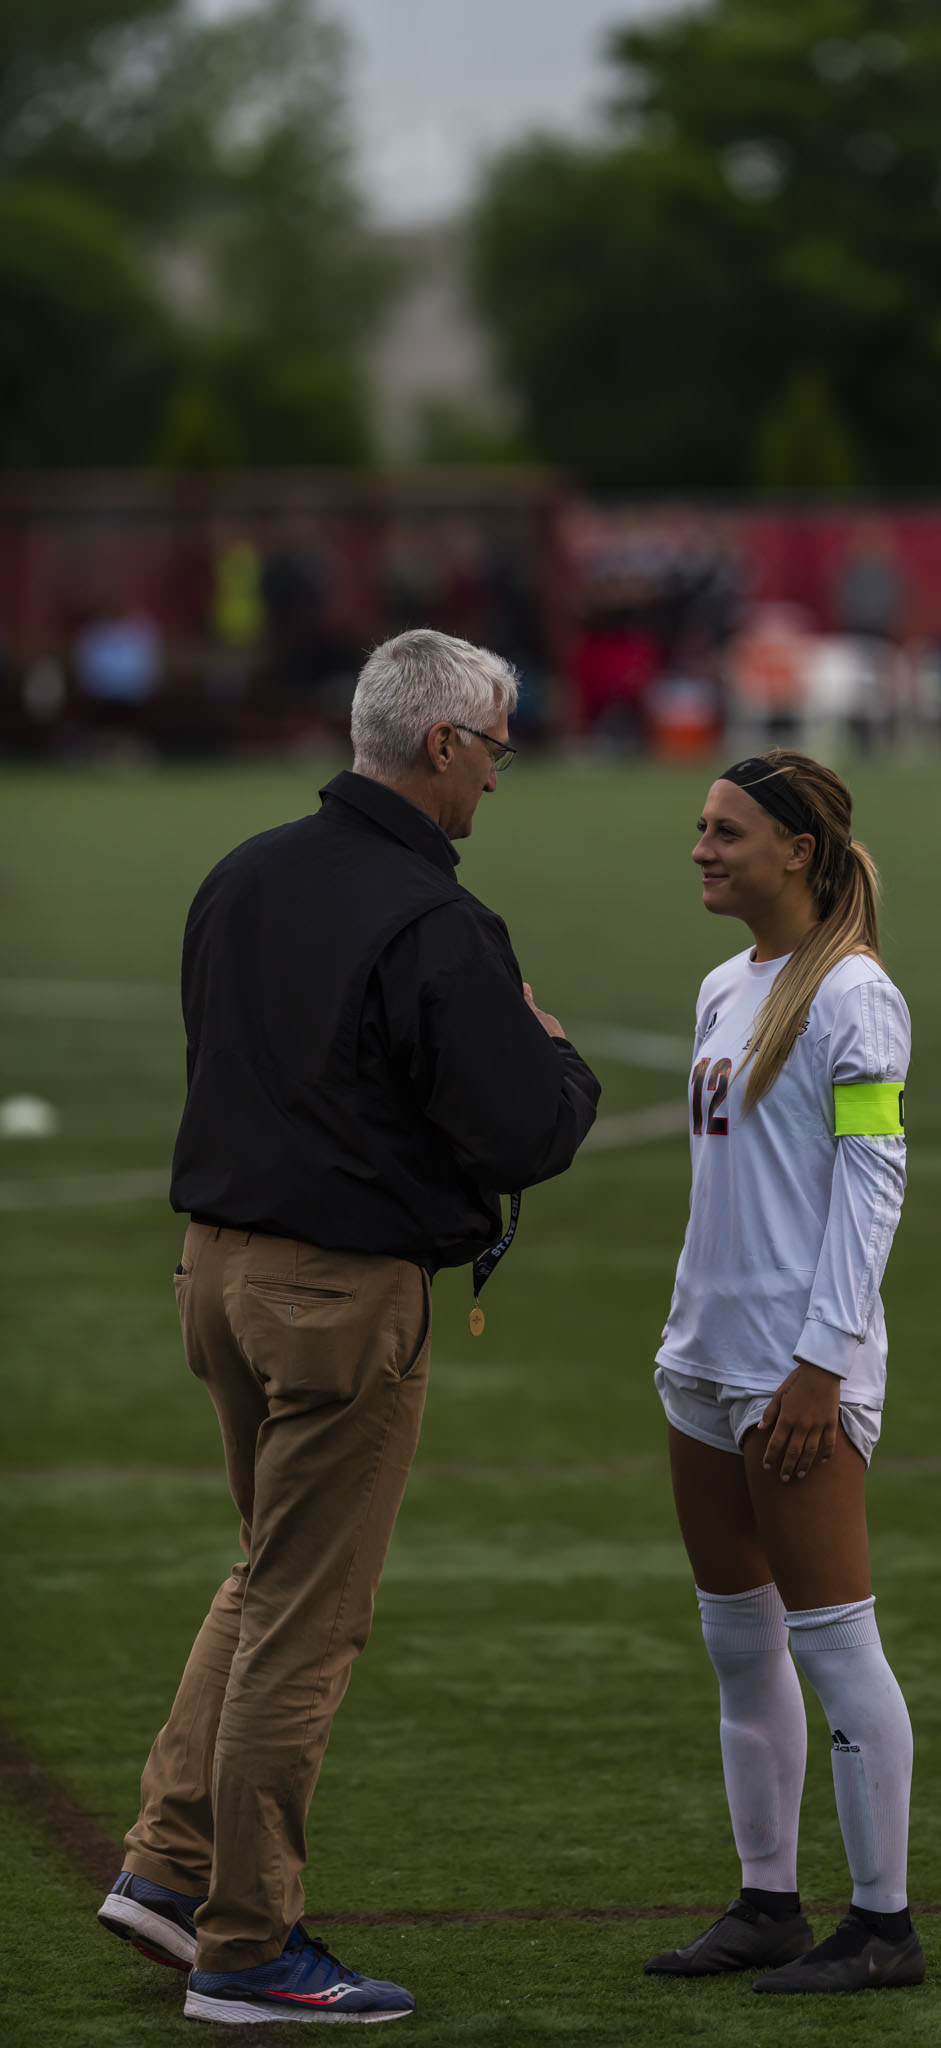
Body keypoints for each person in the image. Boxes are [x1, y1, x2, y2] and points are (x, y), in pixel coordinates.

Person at [96, 628, 600, 2025]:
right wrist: (556, 1054)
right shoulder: (434, 921)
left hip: (216, 1273)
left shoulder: (243, 873)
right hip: (336, 1298)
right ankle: (250, 1946)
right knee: (308, 1623)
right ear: (440, 746)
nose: (498, 778)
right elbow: (516, 1127)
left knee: (265, 1575)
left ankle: (167, 1868)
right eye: (495, 749)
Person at [646, 750, 922, 1996]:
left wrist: (819, 1362)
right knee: (737, 1646)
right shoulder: (721, 983)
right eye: (700, 828)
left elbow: (873, 1186)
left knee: (832, 1640)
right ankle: (766, 1900)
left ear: (796, 850)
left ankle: (882, 1923)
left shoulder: (853, 995)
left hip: (793, 1369)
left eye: (726, 831)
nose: (701, 848)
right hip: (701, 1359)